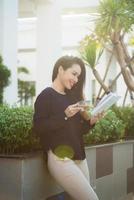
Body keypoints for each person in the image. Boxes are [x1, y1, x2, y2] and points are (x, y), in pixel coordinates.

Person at [33, 55, 101, 200]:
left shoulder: (72, 97)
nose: (76, 79)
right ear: (61, 70)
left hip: (79, 157)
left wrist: (92, 121)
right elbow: (39, 127)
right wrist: (64, 115)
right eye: (74, 74)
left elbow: (78, 131)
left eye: (78, 76)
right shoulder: (46, 96)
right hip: (60, 159)